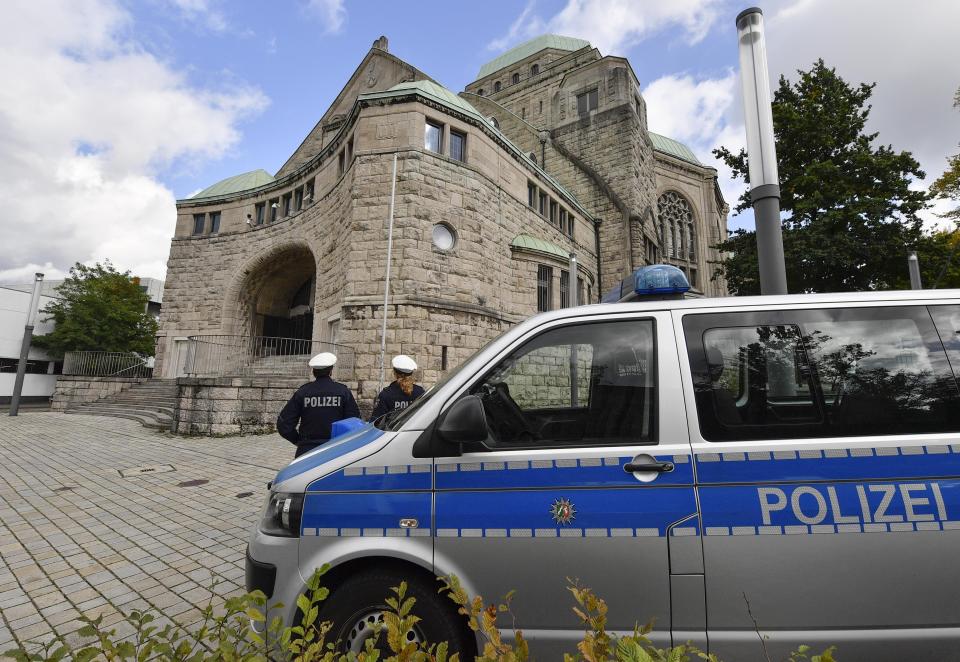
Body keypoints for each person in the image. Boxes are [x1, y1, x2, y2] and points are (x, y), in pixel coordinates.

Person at [277, 352, 360, 457]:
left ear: (313, 372)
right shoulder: (343, 391)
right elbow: (354, 421)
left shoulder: (303, 392)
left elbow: (284, 424)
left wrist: (299, 441)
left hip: (307, 450)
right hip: (336, 449)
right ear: (331, 371)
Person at [370, 355, 425, 422]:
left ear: (394, 373)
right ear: (411, 374)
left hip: (391, 432)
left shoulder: (386, 394)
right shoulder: (420, 392)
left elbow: (375, 421)